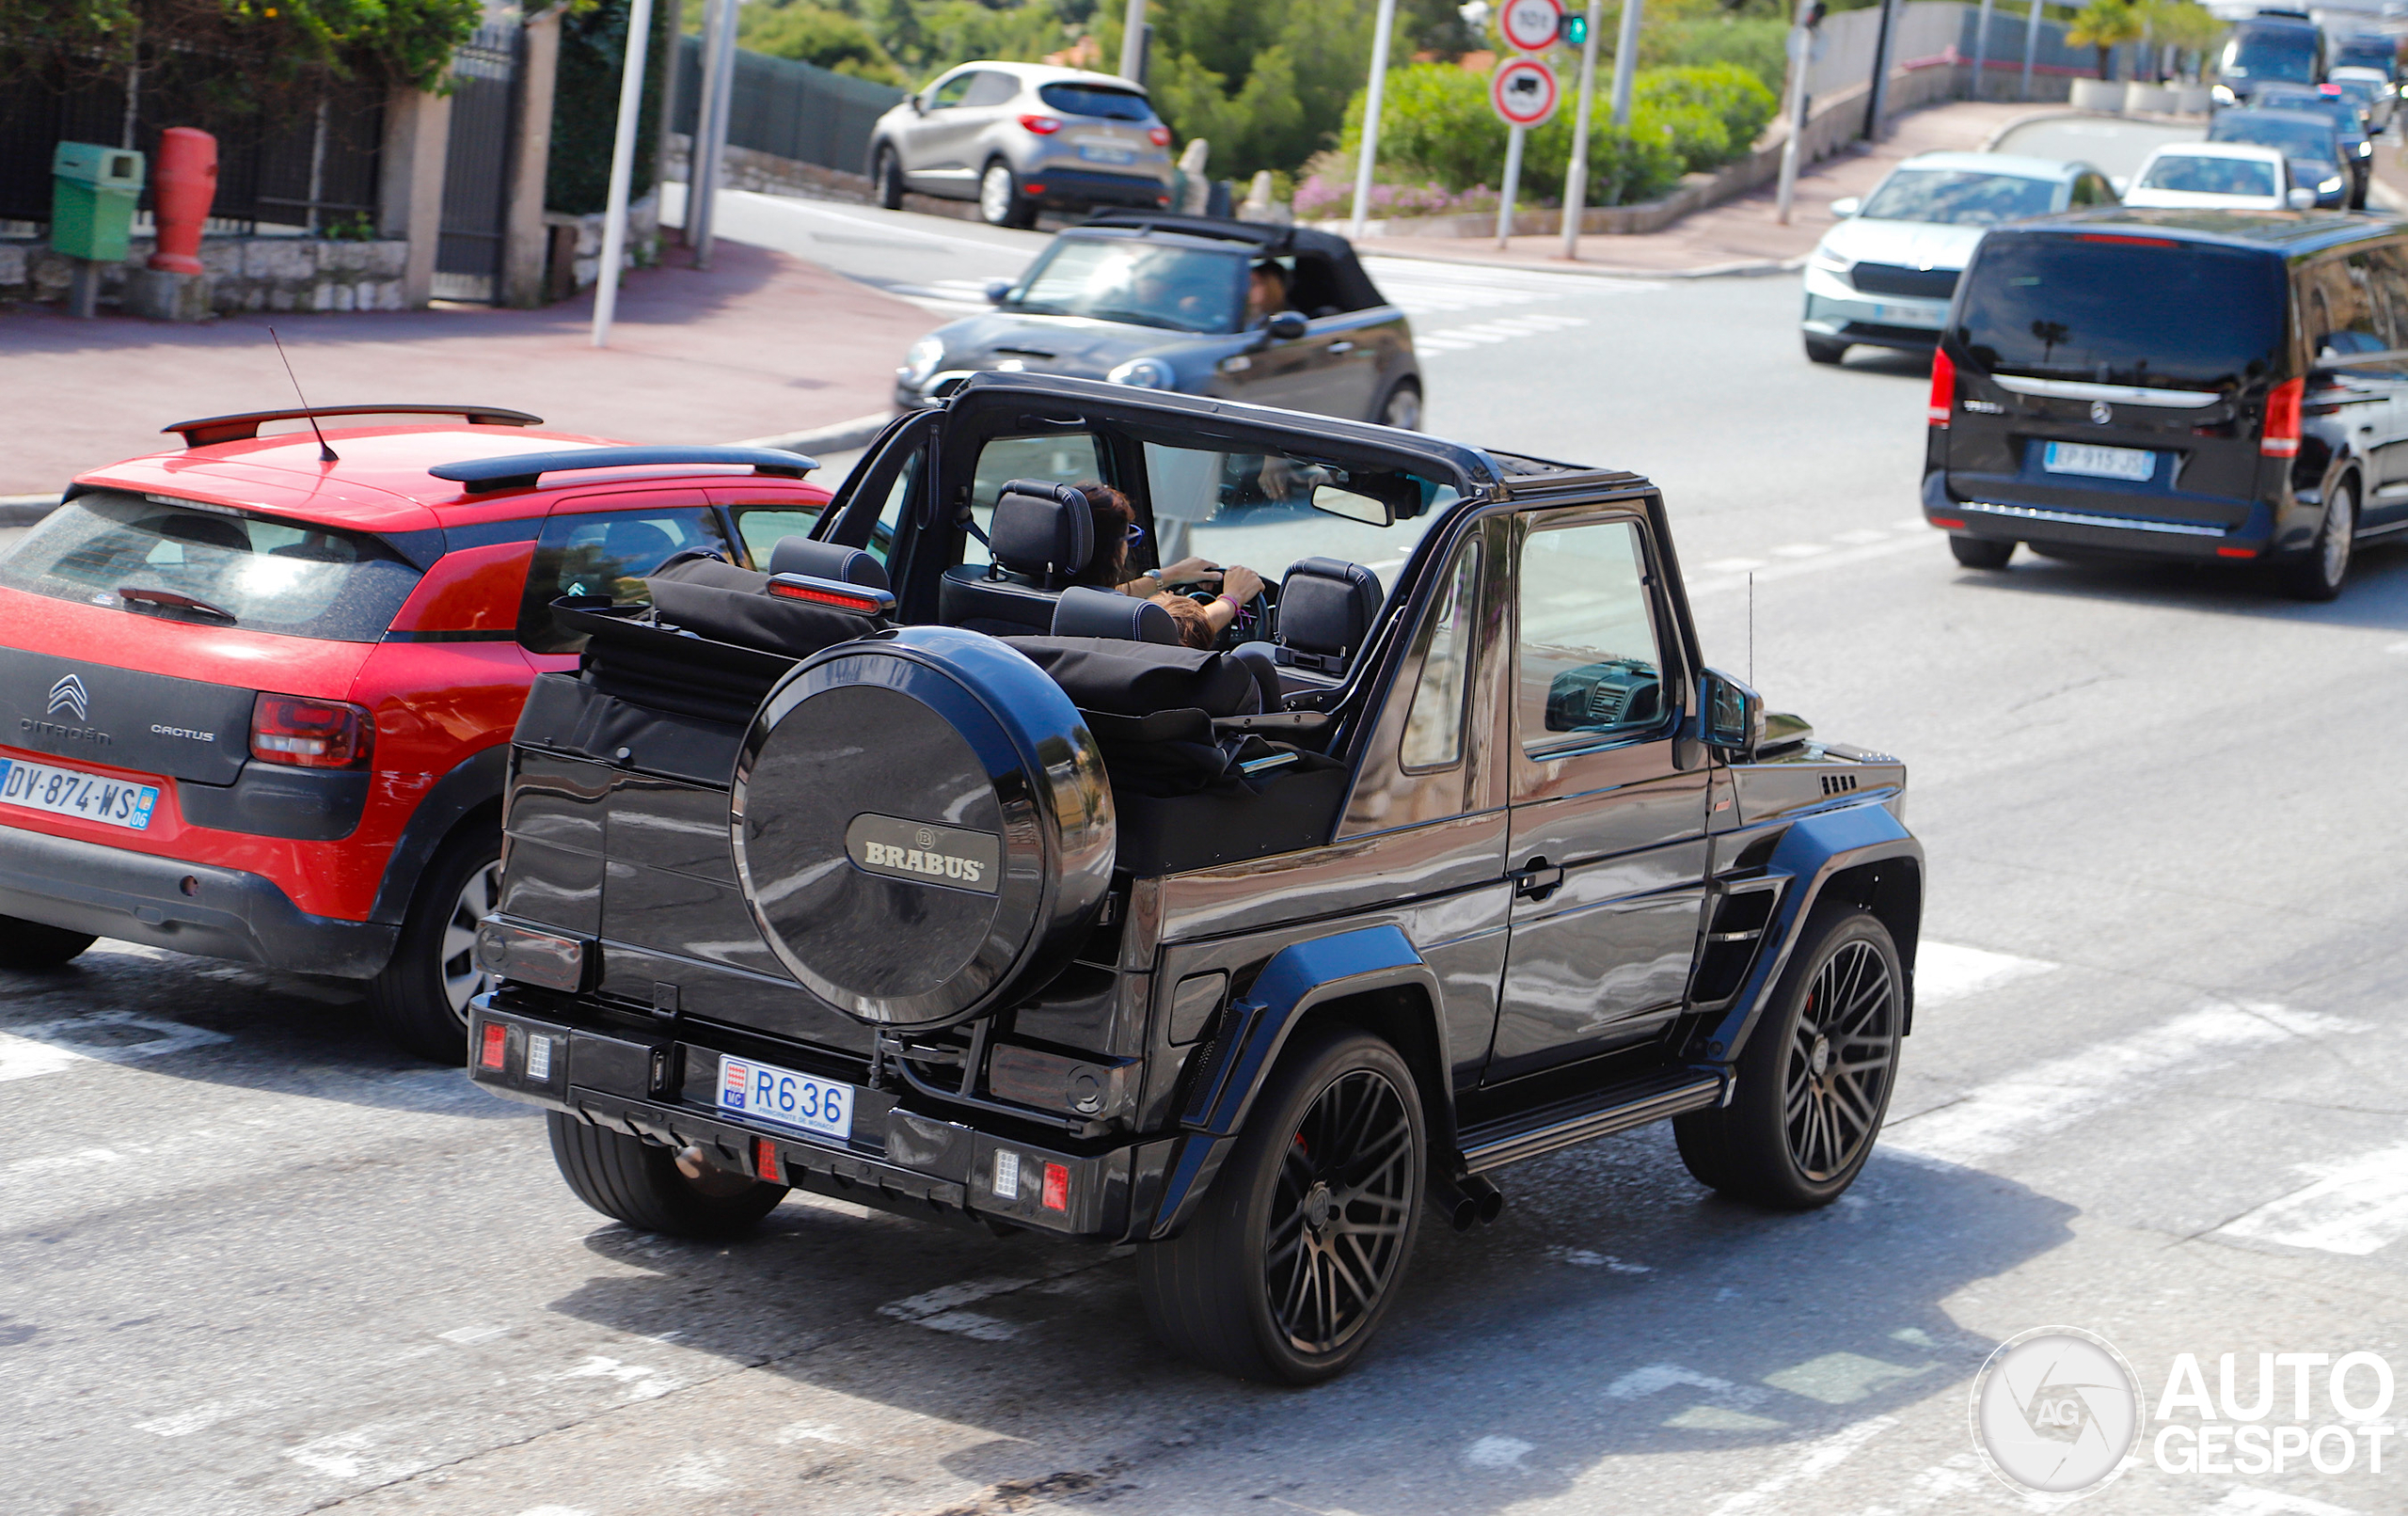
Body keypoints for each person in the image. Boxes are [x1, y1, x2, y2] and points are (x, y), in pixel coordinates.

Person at [1071, 482, 1263, 650]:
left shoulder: (1053, 594)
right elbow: (1179, 634)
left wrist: (1170, 575)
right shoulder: (1104, 620)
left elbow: (1102, 597)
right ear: (1110, 551)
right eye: (1129, 538)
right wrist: (1233, 597)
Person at [1244, 262, 1291, 327]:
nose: (1247, 288)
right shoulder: (1236, 315)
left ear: (1270, 288)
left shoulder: (1285, 319)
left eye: (1253, 284)